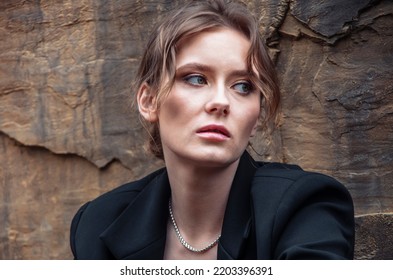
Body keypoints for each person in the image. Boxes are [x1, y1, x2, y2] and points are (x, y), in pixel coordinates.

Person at [70, 0, 355, 260]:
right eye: (196, 79)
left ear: (255, 118)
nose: (221, 101)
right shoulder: (98, 222)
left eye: (243, 86)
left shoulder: (305, 206)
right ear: (149, 101)